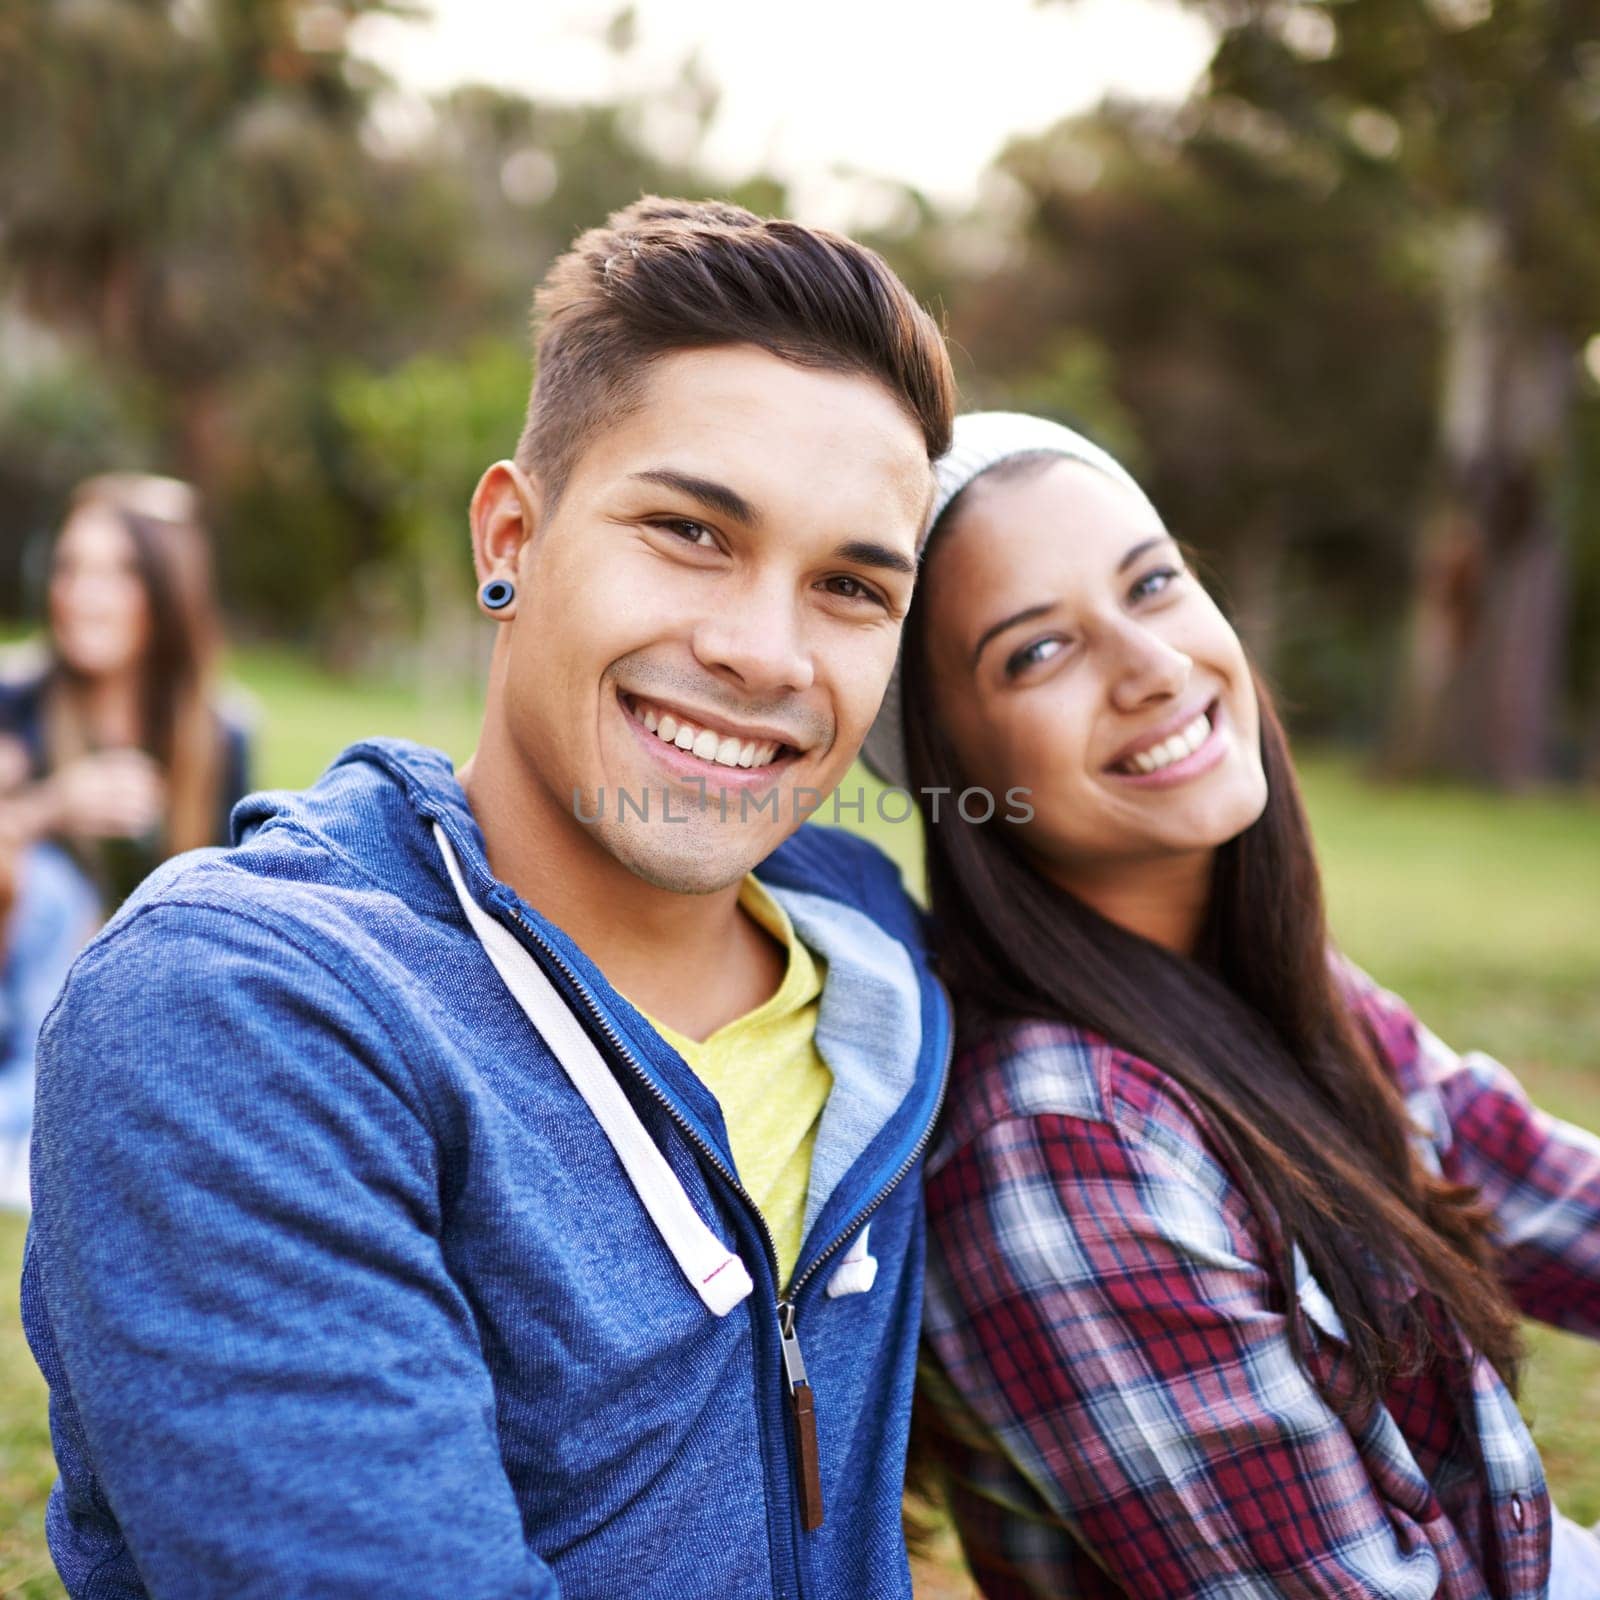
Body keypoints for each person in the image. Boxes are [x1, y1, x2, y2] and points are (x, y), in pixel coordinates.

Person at [23, 197, 957, 1599]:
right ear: (510, 535)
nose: (766, 652)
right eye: (692, 531)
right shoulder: (240, 1011)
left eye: (848, 587)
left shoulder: (869, 945)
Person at [863, 412, 1600, 1600]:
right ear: (956, 771)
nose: (1150, 665)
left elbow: (1539, 1187)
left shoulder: (1264, 987)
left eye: (1152, 584)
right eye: (1035, 653)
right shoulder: (1061, 1141)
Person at [0, 472, 251, 908]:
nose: (82, 595)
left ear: (165, 591)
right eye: (68, 568)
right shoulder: (16, 700)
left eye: (119, 573)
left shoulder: (221, 734)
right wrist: (52, 808)